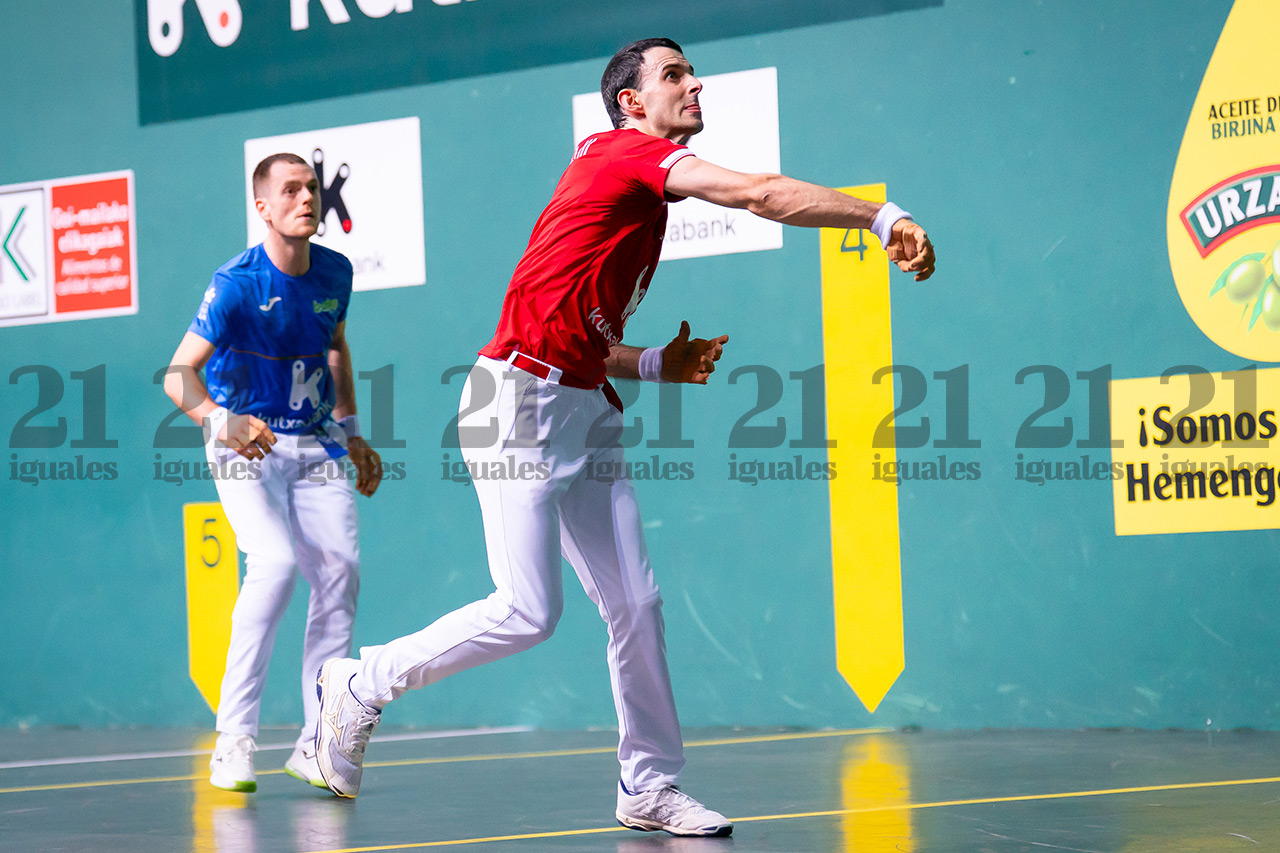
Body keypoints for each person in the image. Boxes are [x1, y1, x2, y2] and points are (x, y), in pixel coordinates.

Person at [314, 37, 934, 836]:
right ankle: (358, 685)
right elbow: (762, 193)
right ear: (632, 101)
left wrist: (651, 361)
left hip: (583, 402)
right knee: (529, 610)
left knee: (636, 601)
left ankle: (648, 784)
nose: (694, 83)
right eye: (673, 74)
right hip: (518, 401)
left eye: (690, 71)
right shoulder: (620, 156)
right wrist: (879, 214)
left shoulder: (639, 204)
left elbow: (582, 332)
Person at [164, 152, 384, 793]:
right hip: (244, 444)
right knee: (275, 563)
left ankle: (321, 740)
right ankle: (233, 741)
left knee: (339, 570)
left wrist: (352, 431)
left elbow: (336, 345)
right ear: (262, 207)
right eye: (290, 190)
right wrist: (215, 420)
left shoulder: (335, 271)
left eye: (311, 188)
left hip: (316, 443)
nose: (307, 198)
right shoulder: (235, 283)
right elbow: (179, 372)